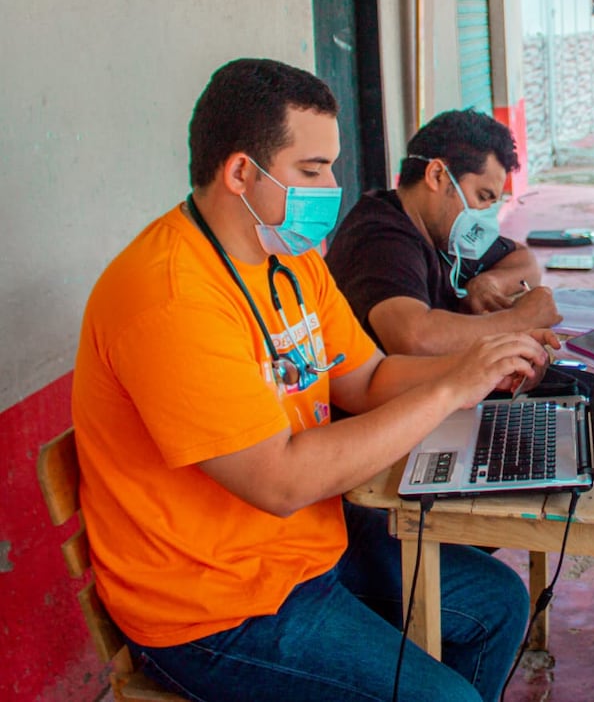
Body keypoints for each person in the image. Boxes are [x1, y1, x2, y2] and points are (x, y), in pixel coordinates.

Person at [72, 59, 553, 702]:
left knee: (497, 604)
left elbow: (368, 376)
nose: (332, 186)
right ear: (240, 171)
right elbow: (281, 480)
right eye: (311, 170)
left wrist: (484, 367)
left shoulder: (290, 259)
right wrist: (449, 388)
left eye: (330, 165)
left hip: (304, 552)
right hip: (213, 609)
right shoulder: (168, 297)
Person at [326, 109, 561, 356]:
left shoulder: (442, 232)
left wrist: (489, 283)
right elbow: (414, 338)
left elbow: (524, 260)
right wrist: (519, 320)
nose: (483, 214)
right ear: (437, 175)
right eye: (481, 197)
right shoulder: (380, 239)